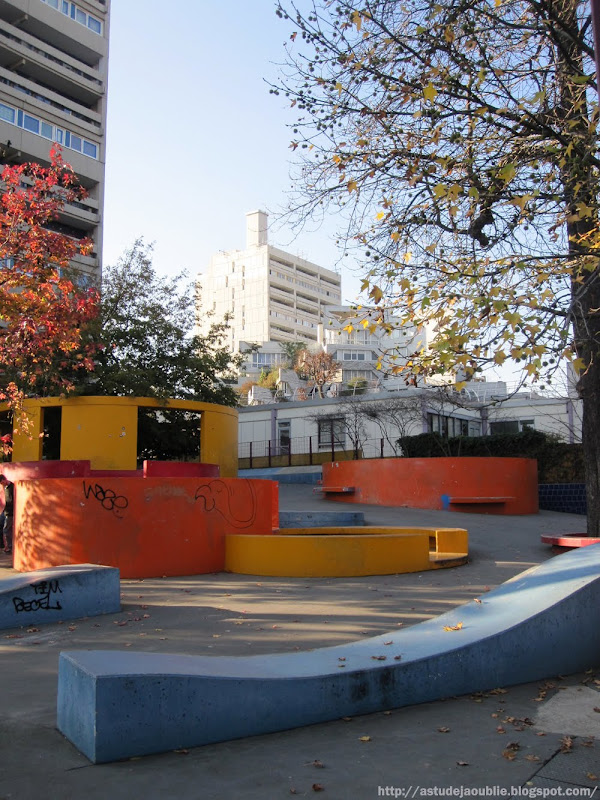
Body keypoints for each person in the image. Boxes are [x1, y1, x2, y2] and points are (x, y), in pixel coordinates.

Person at [0, 474, 13, 554]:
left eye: (2, 482)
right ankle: (4, 545)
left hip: (10, 512)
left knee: (6, 529)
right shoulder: (5, 487)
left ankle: (9, 547)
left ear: (4, 480)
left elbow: (11, 501)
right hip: (6, 510)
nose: (2, 484)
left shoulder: (12, 487)